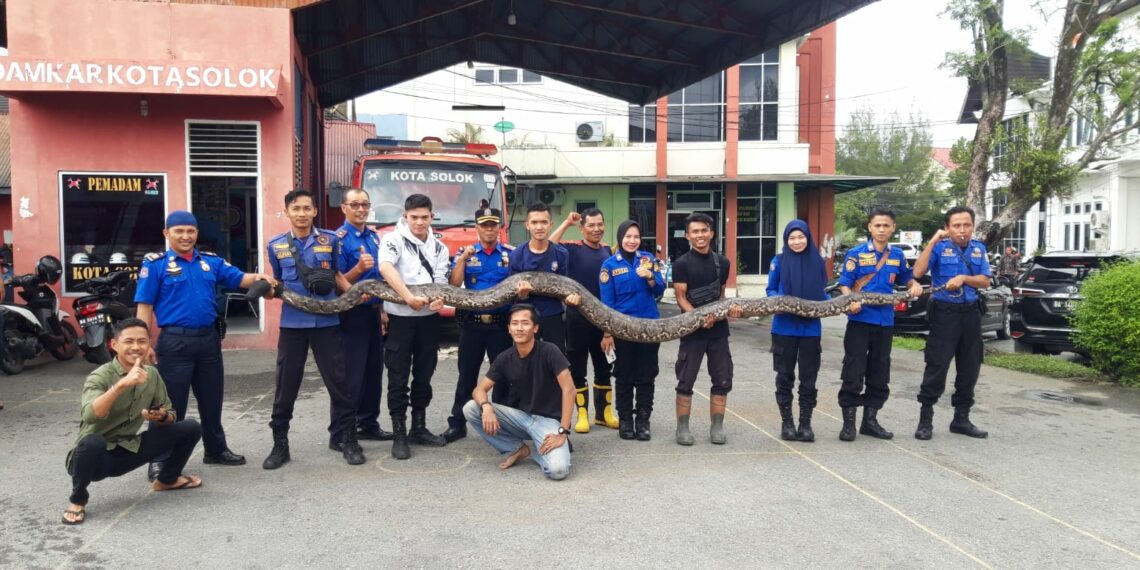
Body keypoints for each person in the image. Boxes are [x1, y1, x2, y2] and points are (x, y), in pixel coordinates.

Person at [135, 210, 275, 481]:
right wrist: (144, 344)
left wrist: (262, 277)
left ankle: (215, 449)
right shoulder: (156, 265)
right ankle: (159, 458)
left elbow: (240, 278)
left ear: (197, 233)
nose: (185, 236)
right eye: (179, 231)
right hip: (174, 343)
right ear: (167, 234)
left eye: (190, 231)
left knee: (212, 401)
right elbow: (144, 306)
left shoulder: (210, 262)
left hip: (208, 341)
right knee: (169, 405)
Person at [62, 318, 204, 525]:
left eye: (142, 341)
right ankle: (78, 499)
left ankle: (167, 480)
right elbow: (91, 415)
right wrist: (121, 385)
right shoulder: (99, 376)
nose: (136, 347)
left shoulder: (152, 374)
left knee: (190, 427)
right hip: (92, 460)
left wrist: (161, 416)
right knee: (93, 442)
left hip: (128, 449)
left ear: (149, 344)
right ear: (114, 345)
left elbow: (170, 413)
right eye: (129, 341)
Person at [263, 189, 364, 469]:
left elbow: (337, 275)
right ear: (287, 212)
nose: (302, 214)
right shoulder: (276, 245)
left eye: (307, 208)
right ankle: (279, 445)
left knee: (340, 384)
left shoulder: (330, 241)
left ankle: (348, 440)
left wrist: (354, 294)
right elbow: (279, 281)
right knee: (286, 386)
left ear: (315, 211)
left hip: (326, 323)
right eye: (296, 208)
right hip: (292, 324)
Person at [835, 208, 923, 442]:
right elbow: (845, 283)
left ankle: (870, 421)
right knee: (853, 371)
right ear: (870, 227)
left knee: (879, 372)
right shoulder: (855, 254)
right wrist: (850, 299)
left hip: (885, 322)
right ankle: (849, 424)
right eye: (877, 225)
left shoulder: (897, 256)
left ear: (893, 228)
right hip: (860, 320)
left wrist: (913, 284)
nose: (882, 229)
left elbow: (906, 277)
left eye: (886, 225)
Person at [377, 193, 451, 460]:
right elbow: (385, 268)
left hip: (429, 322)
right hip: (400, 320)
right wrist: (408, 298)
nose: (419, 222)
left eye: (424, 217)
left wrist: (439, 299)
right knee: (397, 378)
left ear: (432, 216)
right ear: (405, 216)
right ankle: (399, 433)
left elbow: (440, 280)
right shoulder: (393, 240)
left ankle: (418, 427)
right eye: (414, 217)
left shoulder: (440, 247)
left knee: (424, 375)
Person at [462, 304, 575, 481]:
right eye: (514, 323)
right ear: (508, 328)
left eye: (525, 323)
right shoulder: (505, 358)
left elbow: (569, 390)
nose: (519, 328)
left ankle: (542, 451)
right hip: (520, 418)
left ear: (536, 328)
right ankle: (516, 448)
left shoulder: (550, 351)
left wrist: (563, 432)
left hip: (548, 422)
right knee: (471, 408)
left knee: (558, 471)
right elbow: (479, 389)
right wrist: (486, 407)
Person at [910, 206, 991, 440]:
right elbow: (918, 271)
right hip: (944, 313)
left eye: (966, 225)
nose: (962, 230)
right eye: (956, 225)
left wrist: (964, 278)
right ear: (947, 228)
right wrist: (932, 241)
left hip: (971, 313)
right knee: (937, 365)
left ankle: (961, 419)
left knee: (970, 367)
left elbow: (985, 281)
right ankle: (926, 420)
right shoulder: (939, 247)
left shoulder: (978, 249)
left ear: (973, 226)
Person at [441, 202, 514, 443]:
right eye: (485, 226)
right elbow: (453, 285)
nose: (489, 230)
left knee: (503, 376)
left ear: (499, 228)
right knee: (467, 375)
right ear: (477, 228)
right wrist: (461, 260)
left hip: (499, 325)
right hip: (472, 324)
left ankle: (505, 423)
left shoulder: (510, 255)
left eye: (493, 226)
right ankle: (458, 423)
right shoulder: (467, 252)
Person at [671, 213, 742, 446]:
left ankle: (717, 427)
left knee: (722, 380)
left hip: (719, 332)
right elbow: (680, 297)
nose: (700, 235)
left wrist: (726, 311)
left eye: (704, 230)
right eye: (695, 231)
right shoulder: (681, 264)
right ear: (688, 235)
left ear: (711, 233)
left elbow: (721, 295)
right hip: (692, 331)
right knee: (685, 380)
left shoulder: (723, 262)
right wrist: (699, 318)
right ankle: (682, 428)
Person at [550, 208, 616, 432]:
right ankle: (582, 415)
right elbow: (549, 245)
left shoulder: (607, 250)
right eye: (591, 225)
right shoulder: (572, 249)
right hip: (577, 317)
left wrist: (609, 329)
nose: (596, 229)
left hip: (602, 319)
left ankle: (604, 414)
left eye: (600, 224)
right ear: (582, 228)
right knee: (577, 367)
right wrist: (566, 223)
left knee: (604, 366)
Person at [335, 188, 394, 443]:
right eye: (355, 204)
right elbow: (336, 282)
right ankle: (341, 433)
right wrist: (358, 269)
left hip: (372, 313)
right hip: (350, 315)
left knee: (372, 373)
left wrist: (381, 311)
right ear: (344, 208)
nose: (361, 209)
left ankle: (368, 423)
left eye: (365, 204)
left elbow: (378, 280)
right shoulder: (337, 240)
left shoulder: (374, 237)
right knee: (351, 376)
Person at [599, 220, 665, 441]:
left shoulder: (648, 260)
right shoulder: (609, 265)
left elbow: (660, 290)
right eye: (628, 236)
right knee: (624, 375)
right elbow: (606, 304)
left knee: (647, 375)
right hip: (622, 330)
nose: (632, 241)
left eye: (636, 237)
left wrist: (650, 278)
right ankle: (626, 420)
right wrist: (607, 333)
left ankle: (643, 420)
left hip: (649, 327)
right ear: (620, 238)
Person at [766, 220, 828, 442]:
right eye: (792, 238)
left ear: (808, 237)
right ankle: (787, 423)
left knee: (809, 378)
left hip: (811, 329)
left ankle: (805, 423)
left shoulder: (818, 262)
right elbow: (771, 290)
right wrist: (780, 302)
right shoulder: (779, 261)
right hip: (784, 327)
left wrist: (838, 303)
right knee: (784, 377)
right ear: (786, 240)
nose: (797, 241)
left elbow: (822, 294)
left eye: (800, 237)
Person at [510, 202, 574, 353]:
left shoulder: (561, 254)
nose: (539, 227)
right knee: (525, 362)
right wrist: (523, 296)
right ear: (527, 225)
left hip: (554, 316)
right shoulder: (517, 254)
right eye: (534, 222)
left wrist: (570, 299)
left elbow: (564, 288)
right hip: (526, 317)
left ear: (550, 224)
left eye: (544, 222)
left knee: (557, 361)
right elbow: (513, 295)